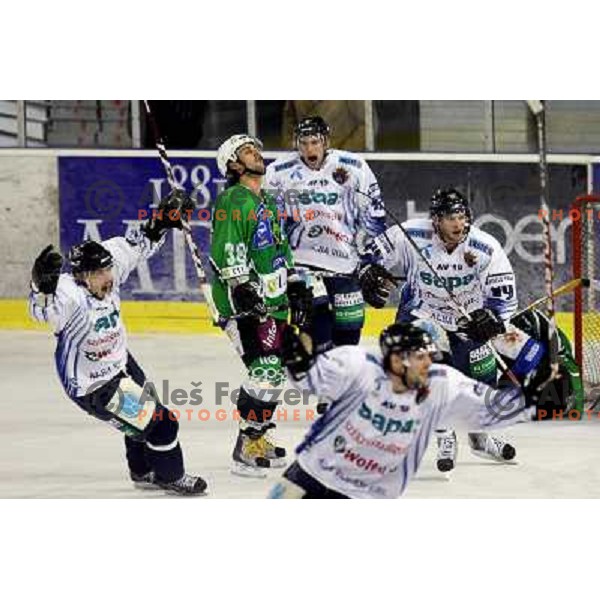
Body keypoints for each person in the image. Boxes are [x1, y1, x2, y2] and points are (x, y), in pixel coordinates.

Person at [28, 190, 207, 495]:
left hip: (121, 362)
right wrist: (41, 286)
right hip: (95, 386)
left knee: (143, 420)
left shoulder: (110, 265)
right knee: (163, 423)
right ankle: (170, 475)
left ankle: (142, 471)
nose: (108, 277)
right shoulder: (68, 295)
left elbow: (139, 244)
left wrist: (162, 220)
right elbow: (42, 312)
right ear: (83, 276)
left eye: (108, 269)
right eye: (99, 273)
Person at [357, 188, 547, 473]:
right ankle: (444, 433)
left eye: (461, 216)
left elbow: (504, 299)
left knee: (481, 378)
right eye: (449, 217)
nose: (458, 223)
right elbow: (370, 255)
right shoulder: (411, 235)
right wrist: (367, 272)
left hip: (467, 320)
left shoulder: (485, 247)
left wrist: (491, 318)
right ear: (435, 220)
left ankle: (479, 436)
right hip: (422, 314)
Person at [268, 322, 533, 499]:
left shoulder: (443, 383)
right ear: (396, 360)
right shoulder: (357, 365)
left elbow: (493, 412)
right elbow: (309, 381)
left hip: (366, 496)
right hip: (310, 474)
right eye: (420, 357)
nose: (428, 364)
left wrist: (533, 397)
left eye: (430, 356)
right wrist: (298, 366)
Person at [211, 134, 311, 477]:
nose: (257, 154)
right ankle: (247, 443)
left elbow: (280, 249)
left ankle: (261, 436)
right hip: (247, 307)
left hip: (274, 303)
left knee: (275, 373)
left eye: (257, 148)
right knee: (265, 370)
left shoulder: (265, 200)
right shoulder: (232, 200)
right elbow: (226, 249)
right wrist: (241, 289)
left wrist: (295, 285)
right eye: (247, 151)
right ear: (233, 165)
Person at [265, 115, 386, 354]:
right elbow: (270, 223)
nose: (309, 149)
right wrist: (285, 269)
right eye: (304, 143)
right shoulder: (278, 172)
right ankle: (319, 378)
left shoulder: (354, 167)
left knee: (349, 336)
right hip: (303, 265)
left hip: (345, 263)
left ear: (326, 142)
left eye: (315, 142)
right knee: (317, 327)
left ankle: (340, 381)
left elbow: (373, 216)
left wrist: (370, 261)